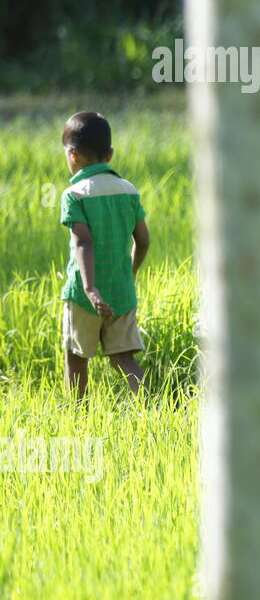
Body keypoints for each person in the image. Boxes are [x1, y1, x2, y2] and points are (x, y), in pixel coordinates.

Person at [59, 112, 150, 398]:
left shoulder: (74, 194)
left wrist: (90, 288)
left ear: (72, 155)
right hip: (122, 292)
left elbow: (83, 242)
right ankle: (148, 409)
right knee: (123, 359)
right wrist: (130, 272)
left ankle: (77, 414)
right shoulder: (128, 191)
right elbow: (144, 240)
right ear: (109, 154)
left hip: (83, 296)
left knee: (76, 358)